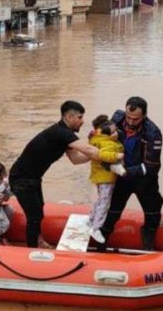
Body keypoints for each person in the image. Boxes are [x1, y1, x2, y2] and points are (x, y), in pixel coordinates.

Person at [9, 100, 101, 248]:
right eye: (80, 117)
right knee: (34, 216)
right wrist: (110, 154)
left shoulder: (64, 134)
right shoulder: (61, 133)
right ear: (69, 117)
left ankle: (38, 241)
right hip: (21, 179)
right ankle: (31, 249)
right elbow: (89, 150)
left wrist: (97, 154)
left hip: (33, 178)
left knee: (39, 212)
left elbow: (76, 159)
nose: (82, 121)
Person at [98, 97, 163, 251]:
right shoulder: (117, 119)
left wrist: (126, 171)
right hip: (121, 179)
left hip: (144, 180)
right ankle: (100, 244)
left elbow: (152, 167)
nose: (131, 121)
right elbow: (101, 137)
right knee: (111, 213)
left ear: (145, 115)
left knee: (152, 212)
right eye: (128, 117)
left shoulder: (153, 133)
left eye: (136, 119)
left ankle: (148, 242)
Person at [87, 115, 125, 244]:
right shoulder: (106, 142)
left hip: (101, 176)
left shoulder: (98, 139)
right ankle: (96, 228)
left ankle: (92, 219)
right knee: (105, 203)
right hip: (105, 178)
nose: (116, 133)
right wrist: (116, 155)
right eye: (114, 132)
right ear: (105, 134)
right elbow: (104, 155)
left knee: (100, 199)